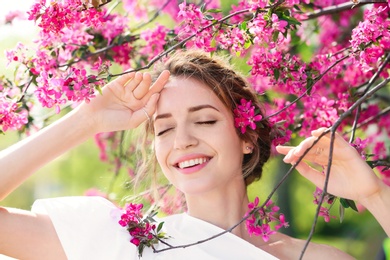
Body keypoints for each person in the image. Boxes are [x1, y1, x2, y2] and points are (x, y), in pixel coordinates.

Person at [0, 49, 389, 259]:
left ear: (246, 137)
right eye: (165, 128)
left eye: (204, 121)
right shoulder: (121, 242)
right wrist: (86, 120)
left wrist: (374, 195)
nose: (182, 140)